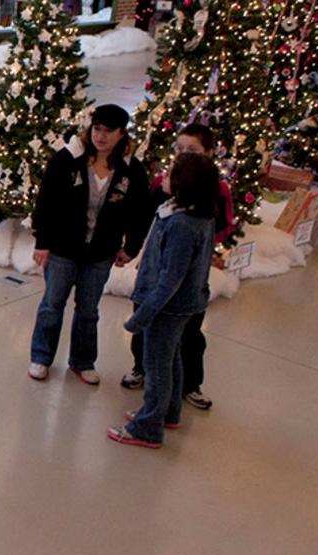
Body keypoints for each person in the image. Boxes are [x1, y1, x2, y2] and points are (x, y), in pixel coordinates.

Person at [28, 104, 152, 384]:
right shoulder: (67, 160)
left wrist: (131, 247)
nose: (101, 136)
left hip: (100, 252)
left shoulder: (130, 170)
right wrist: (42, 242)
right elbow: (46, 202)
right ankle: (41, 356)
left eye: (109, 131)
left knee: (88, 309)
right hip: (62, 248)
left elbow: (140, 211)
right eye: (97, 129)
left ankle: (83, 361)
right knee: (52, 304)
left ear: (122, 134)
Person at [110, 152, 220, 448]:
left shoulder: (182, 224)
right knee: (170, 358)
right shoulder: (195, 214)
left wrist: (143, 314)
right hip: (181, 304)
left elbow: (171, 277)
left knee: (157, 363)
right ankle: (168, 412)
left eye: (170, 173)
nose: (163, 177)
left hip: (168, 307)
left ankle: (148, 427)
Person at [121, 123, 234, 411]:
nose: (180, 158)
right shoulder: (168, 197)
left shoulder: (192, 216)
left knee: (168, 353)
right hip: (164, 287)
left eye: (191, 150)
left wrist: (145, 312)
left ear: (209, 153)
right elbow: (152, 227)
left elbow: (172, 274)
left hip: (171, 300)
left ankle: (153, 419)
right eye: (179, 150)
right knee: (159, 355)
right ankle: (165, 405)